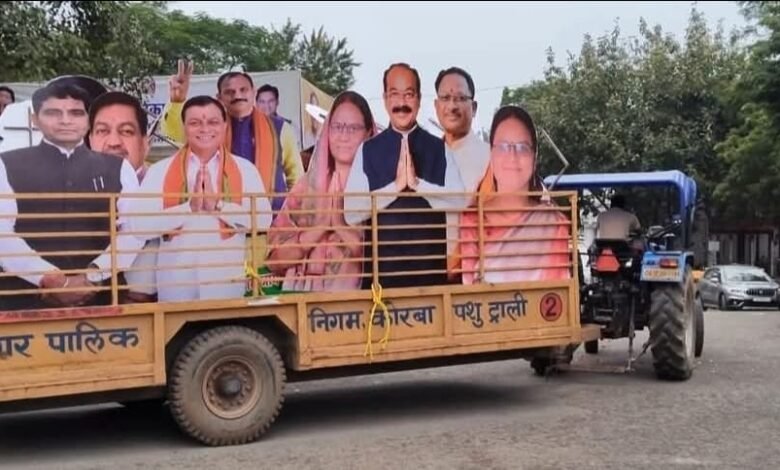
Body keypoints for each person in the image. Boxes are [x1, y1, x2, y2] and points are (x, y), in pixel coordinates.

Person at [0, 83, 141, 310]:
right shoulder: (6, 164)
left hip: (104, 300)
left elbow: (134, 231)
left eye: (76, 113)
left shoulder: (119, 167)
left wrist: (93, 276)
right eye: (53, 113)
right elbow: (2, 233)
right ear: (35, 120)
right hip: (23, 300)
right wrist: (48, 279)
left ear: (88, 120)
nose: (65, 121)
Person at [129, 96, 272, 302]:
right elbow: (139, 226)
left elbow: (264, 220)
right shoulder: (160, 171)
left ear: (224, 126)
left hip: (226, 286)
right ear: (184, 127)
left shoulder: (245, 169)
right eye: (195, 123)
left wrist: (219, 206)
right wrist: (188, 208)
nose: (205, 129)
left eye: (213, 122)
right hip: (175, 287)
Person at [343, 63, 465, 288]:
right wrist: (395, 188)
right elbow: (350, 213)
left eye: (409, 94)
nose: (402, 103)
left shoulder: (440, 148)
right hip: (381, 282)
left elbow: (460, 201)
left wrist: (418, 185)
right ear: (385, 99)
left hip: (430, 279)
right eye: (394, 94)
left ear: (419, 99)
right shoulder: (367, 150)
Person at [267, 91, 377, 291]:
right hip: (302, 301)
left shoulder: (380, 188)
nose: (344, 136)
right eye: (337, 126)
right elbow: (274, 261)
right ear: (327, 130)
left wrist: (341, 227)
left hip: (360, 303)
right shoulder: (305, 188)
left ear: (368, 132)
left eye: (353, 128)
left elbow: (390, 260)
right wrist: (319, 229)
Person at [160, 61, 302, 213]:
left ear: (254, 92)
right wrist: (177, 101)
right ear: (219, 97)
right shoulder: (211, 128)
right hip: (220, 218)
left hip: (271, 220)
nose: (237, 95)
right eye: (229, 92)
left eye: (243, 90)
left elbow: (297, 178)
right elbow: (174, 132)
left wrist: (292, 214)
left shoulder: (280, 129)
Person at [451, 105, 571, 284]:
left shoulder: (553, 223)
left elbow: (556, 293)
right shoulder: (472, 221)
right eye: (503, 147)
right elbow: (471, 294)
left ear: (535, 157)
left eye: (522, 147)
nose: (512, 156)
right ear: (491, 154)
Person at [88, 91, 158, 303]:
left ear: (145, 143)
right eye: (102, 131)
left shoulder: (167, 185)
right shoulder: (70, 187)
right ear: (90, 140)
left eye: (126, 131)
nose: (113, 142)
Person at [433, 67, 490, 261]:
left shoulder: (492, 158)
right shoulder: (423, 158)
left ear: (474, 108)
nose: (452, 106)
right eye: (445, 98)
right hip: (427, 271)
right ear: (436, 106)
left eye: (460, 98)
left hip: (477, 270)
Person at [256, 83, 304, 191]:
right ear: (256, 103)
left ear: (277, 102)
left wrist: (295, 195)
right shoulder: (248, 126)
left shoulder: (284, 127)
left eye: (270, 101)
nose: (266, 106)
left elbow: (294, 170)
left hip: (277, 193)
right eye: (262, 101)